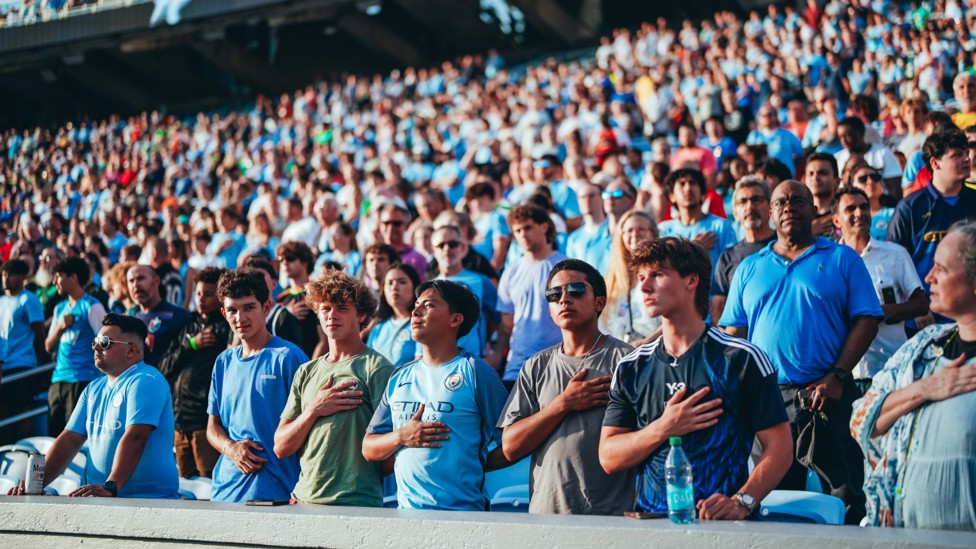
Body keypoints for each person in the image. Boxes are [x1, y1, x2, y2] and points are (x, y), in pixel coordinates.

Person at [719, 180, 883, 524]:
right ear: (771, 212)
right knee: (772, 498)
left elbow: (867, 319)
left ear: (813, 209)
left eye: (798, 200)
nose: (789, 207)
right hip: (767, 399)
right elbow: (732, 334)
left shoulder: (842, 258)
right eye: (780, 202)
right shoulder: (749, 267)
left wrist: (837, 377)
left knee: (845, 495)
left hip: (829, 395)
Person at [599, 237, 792, 519]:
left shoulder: (741, 357)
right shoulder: (631, 366)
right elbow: (608, 457)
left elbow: (781, 449)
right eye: (641, 277)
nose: (644, 287)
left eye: (657, 275)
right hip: (650, 524)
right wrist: (664, 427)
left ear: (691, 281)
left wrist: (741, 501)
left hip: (722, 524)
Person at [851, 220, 976, 531]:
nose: (928, 277)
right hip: (902, 535)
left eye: (941, 269)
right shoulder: (923, 345)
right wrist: (925, 389)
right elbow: (861, 420)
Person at [499, 259, 636, 515]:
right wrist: (564, 403)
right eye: (554, 294)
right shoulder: (535, 366)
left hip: (613, 520)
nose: (564, 298)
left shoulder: (626, 361)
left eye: (575, 290)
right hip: (546, 517)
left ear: (599, 302)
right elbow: (510, 446)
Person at [363, 279, 510, 510]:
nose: (416, 311)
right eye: (416, 304)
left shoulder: (476, 372)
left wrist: (472, 462)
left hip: (464, 515)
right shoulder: (399, 376)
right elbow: (369, 448)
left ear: (455, 319)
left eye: (429, 305)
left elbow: (512, 443)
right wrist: (401, 436)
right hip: (406, 517)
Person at [7, 314, 179, 499]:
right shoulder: (94, 388)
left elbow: (136, 436)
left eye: (105, 342)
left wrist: (111, 486)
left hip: (149, 501)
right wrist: (35, 485)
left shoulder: (146, 379)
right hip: (105, 499)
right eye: (95, 340)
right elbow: (70, 439)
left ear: (131, 351)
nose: (96, 346)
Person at [273, 270, 394, 506]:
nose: (332, 315)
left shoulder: (377, 368)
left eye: (342, 308)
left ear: (361, 315)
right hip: (303, 501)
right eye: (325, 309)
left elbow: (392, 452)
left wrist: (355, 484)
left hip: (357, 504)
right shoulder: (306, 371)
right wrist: (314, 410)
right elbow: (280, 446)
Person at [207, 268, 308, 503]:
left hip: (279, 492)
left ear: (266, 307)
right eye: (232, 310)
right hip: (224, 492)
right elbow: (213, 428)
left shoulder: (289, 357)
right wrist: (231, 448)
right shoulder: (223, 361)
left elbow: (310, 428)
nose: (240, 318)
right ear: (223, 313)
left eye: (249, 307)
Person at [833, 187, 928, 385]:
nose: (859, 213)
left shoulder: (895, 254)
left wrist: (881, 312)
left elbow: (921, 304)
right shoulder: (828, 261)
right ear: (836, 220)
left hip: (892, 368)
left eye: (864, 207)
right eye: (851, 209)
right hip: (845, 375)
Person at [888, 129, 976, 329]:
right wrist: (916, 308)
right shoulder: (910, 208)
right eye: (957, 155)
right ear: (935, 163)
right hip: (925, 319)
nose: (966, 159)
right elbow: (894, 264)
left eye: (966, 153)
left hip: (970, 315)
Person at [158, 267, 231, 478]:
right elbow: (164, 367)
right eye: (198, 293)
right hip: (179, 422)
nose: (201, 299)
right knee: (184, 487)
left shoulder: (226, 328)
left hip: (205, 423)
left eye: (208, 294)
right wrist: (192, 344)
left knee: (207, 483)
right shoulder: (187, 326)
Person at [489, 204, 567, 387]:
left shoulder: (566, 268)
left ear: (544, 227)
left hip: (558, 365)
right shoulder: (510, 272)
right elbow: (506, 325)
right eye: (517, 230)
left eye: (528, 227)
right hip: (516, 367)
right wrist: (498, 355)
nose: (522, 234)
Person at [45, 256, 107, 435]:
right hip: (58, 380)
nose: (54, 281)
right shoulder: (60, 308)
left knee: (76, 437)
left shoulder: (92, 306)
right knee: (53, 438)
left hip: (82, 379)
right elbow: (48, 346)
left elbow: (105, 341)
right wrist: (59, 327)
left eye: (59, 276)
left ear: (73, 277)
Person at [711, 177, 776, 325]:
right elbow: (718, 311)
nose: (749, 206)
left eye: (756, 199)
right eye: (743, 202)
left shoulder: (785, 246)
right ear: (735, 213)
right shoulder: (727, 257)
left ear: (770, 208)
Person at [431, 225, 497, 358]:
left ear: (462, 248)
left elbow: (499, 320)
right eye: (441, 245)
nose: (447, 249)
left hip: (473, 360)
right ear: (433, 250)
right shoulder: (428, 287)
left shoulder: (481, 281)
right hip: (439, 362)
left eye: (453, 244)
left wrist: (496, 354)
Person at [658, 168, 738, 275]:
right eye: (682, 184)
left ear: (702, 193)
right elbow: (663, 271)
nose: (688, 188)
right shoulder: (663, 231)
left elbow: (732, 268)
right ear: (671, 196)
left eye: (693, 183)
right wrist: (695, 249)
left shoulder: (721, 227)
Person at [601, 211, 661, 345]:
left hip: (655, 349)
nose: (635, 234)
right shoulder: (612, 276)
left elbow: (674, 317)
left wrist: (646, 342)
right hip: (620, 353)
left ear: (653, 233)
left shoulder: (662, 272)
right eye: (629, 230)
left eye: (641, 229)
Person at [125, 264, 191, 368]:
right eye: (131, 281)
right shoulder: (128, 319)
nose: (135, 284)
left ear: (156, 281)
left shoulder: (177, 316)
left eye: (141, 278)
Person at [276, 241, 327, 359]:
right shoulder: (281, 298)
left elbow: (324, 340)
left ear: (305, 261)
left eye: (290, 258)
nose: (284, 263)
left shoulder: (317, 294)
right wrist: (285, 314)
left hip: (311, 362)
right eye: (281, 259)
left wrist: (310, 368)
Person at [834, 117, 902, 200]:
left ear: (861, 132)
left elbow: (895, 188)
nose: (843, 140)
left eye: (848, 135)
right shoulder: (839, 158)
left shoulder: (883, 153)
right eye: (840, 137)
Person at [367, 264, 422, 366]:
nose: (394, 287)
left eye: (402, 282)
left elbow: (420, 368)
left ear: (415, 287)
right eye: (390, 283)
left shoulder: (421, 325)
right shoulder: (377, 328)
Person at [565, 182, 613, 273]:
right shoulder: (574, 239)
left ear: (602, 199)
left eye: (591, 196)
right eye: (583, 197)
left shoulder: (614, 231)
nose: (587, 200)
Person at [376, 201, 428, 277]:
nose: (391, 228)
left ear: (406, 226)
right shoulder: (372, 256)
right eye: (386, 223)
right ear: (380, 225)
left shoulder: (417, 259)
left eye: (396, 223)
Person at [848, 163, 896, 241]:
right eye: (862, 179)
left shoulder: (894, 214)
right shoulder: (845, 218)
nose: (870, 182)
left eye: (875, 177)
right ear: (851, 186)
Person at [804, 152, 843, 239]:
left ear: (837, 181)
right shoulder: (798, 216)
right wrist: (807, 232)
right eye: (811, 173)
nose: (815, 178)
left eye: (823, 173)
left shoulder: (845, 213)